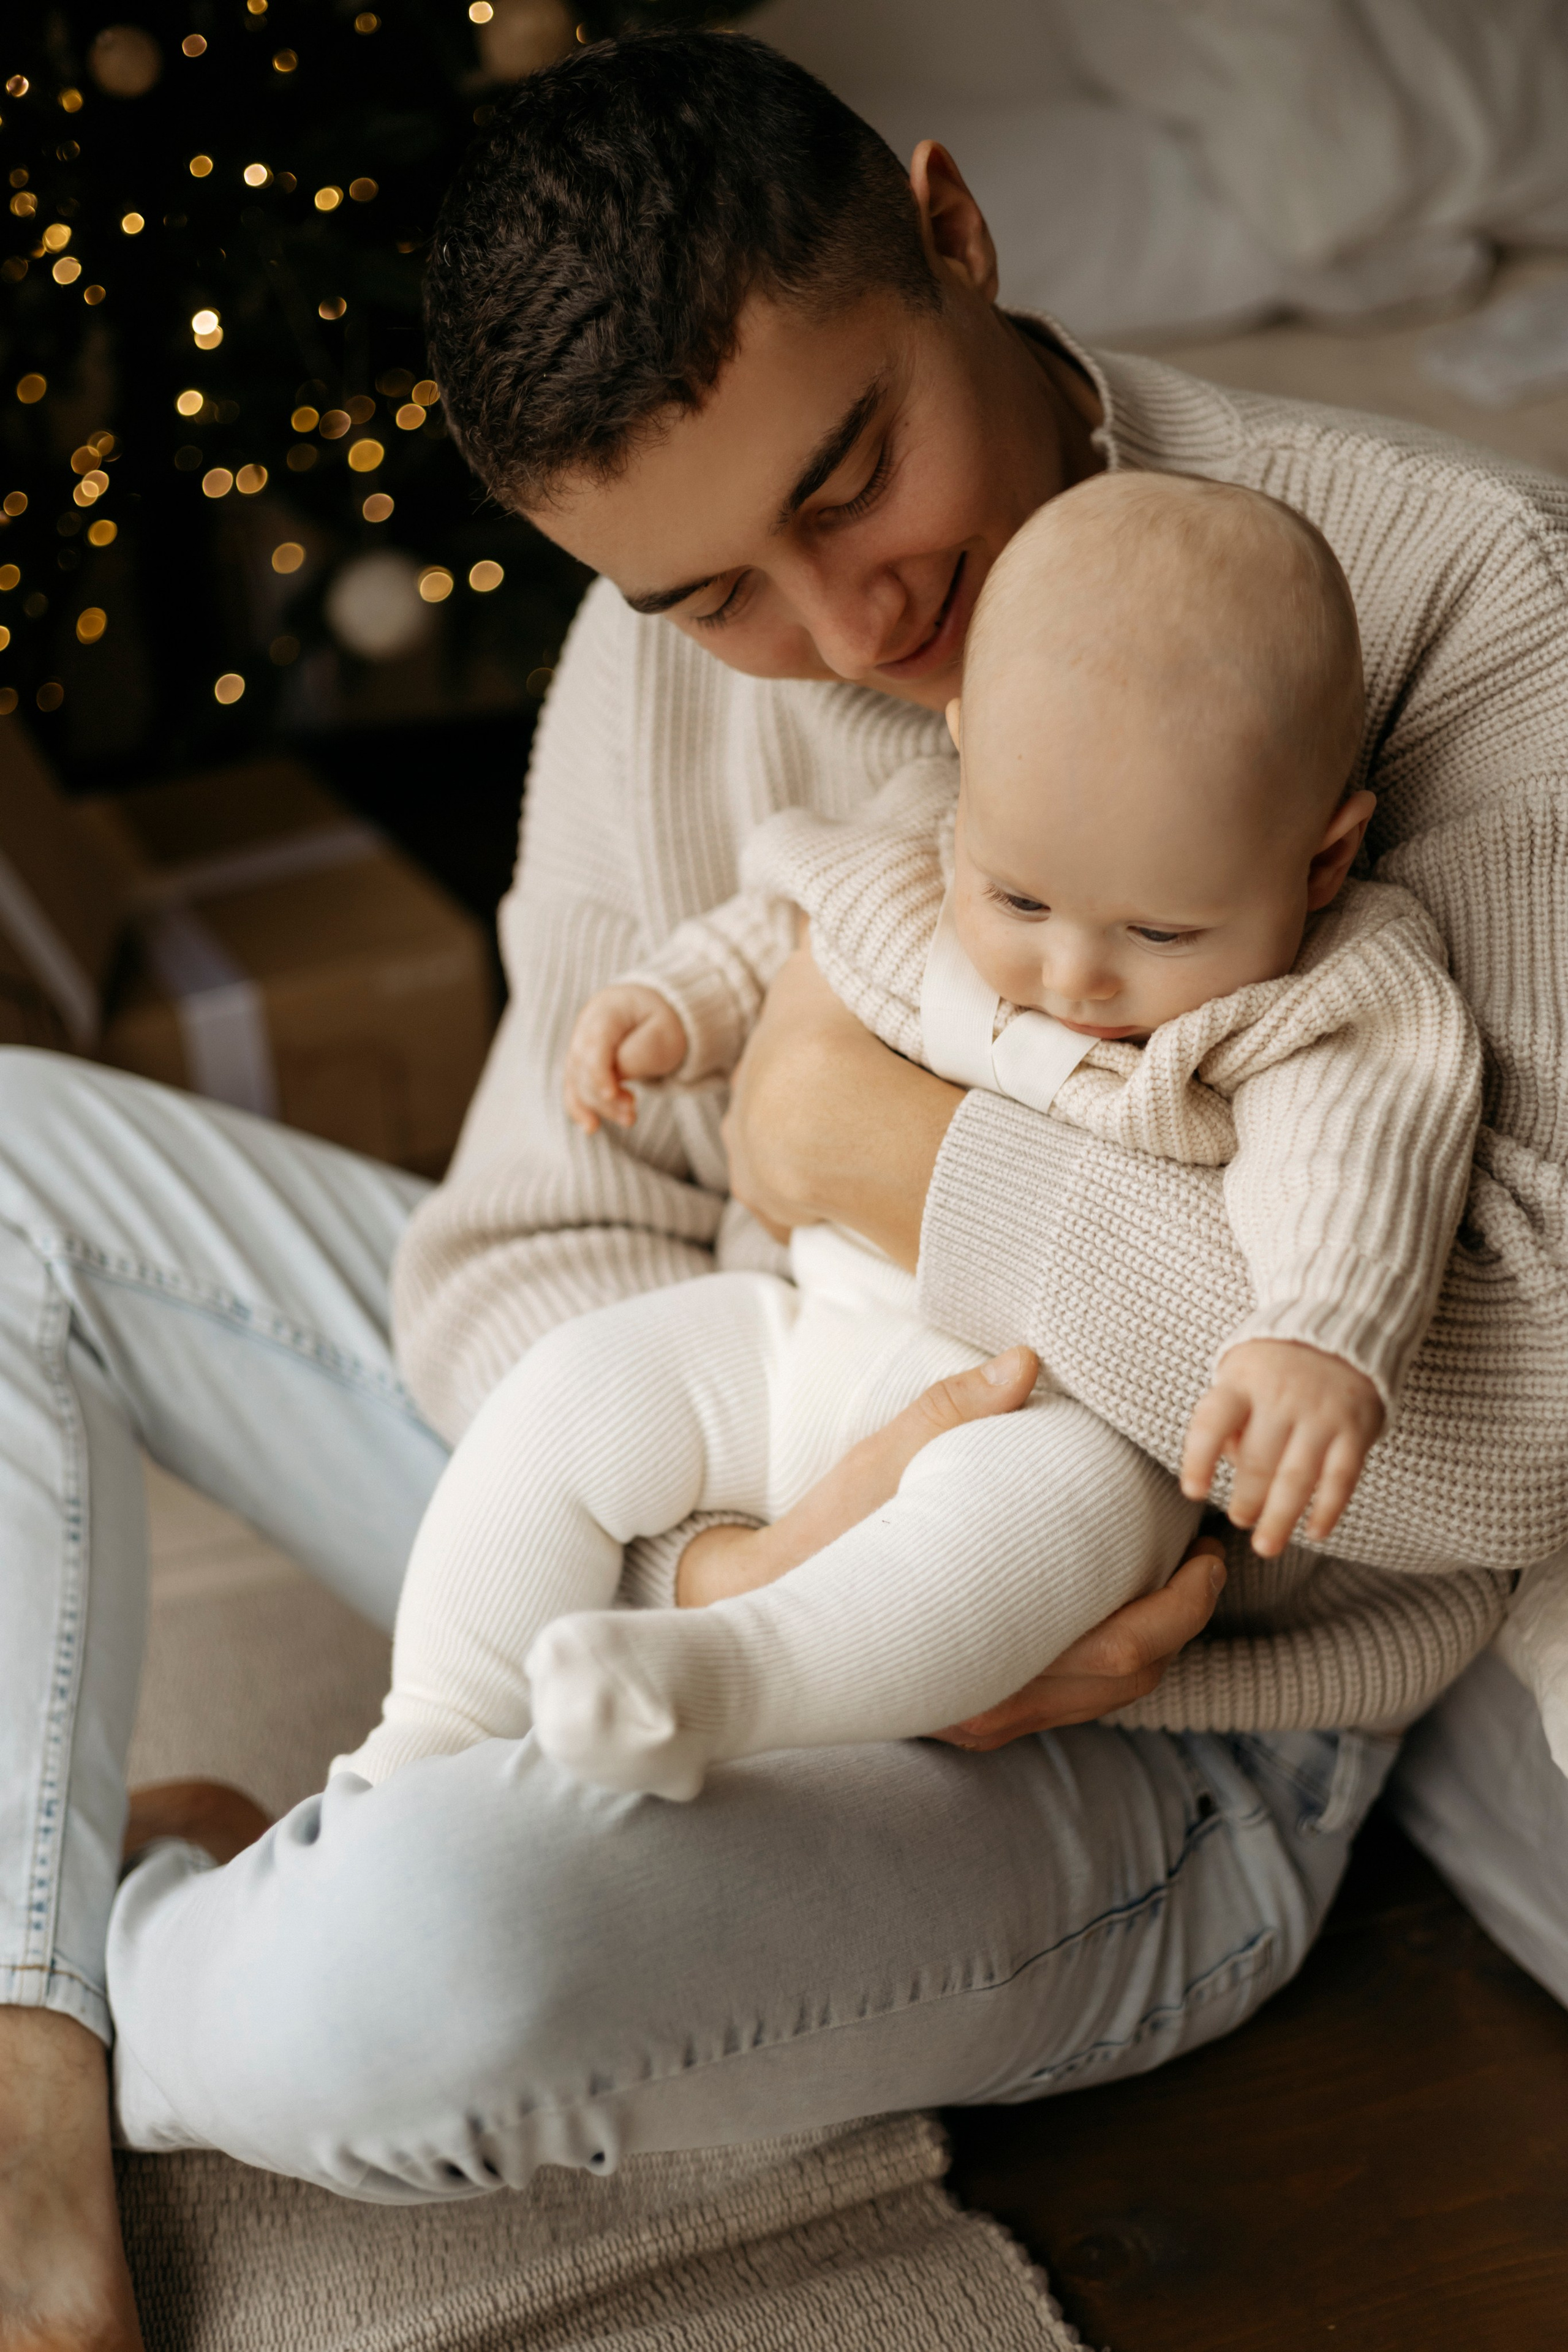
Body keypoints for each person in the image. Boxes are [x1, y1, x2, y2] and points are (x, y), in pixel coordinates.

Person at [2, 31, 1564, 2349]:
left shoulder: (1451, 602)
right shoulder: (673, 675)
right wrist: (726, 1552)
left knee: (413, 1968)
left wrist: (901, 1160)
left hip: (1139, 1741)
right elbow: (529, 1245)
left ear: (953, 233)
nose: (844, 635)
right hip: (723, 1463)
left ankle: (185, 1934)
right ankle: (35, 2051)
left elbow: (1524, 1411)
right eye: (711, 592)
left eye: (856, 478)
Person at [342, 472, 1495, 1804]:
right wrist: (676, 1002)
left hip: (1042, 1412)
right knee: (574, 1390)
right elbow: (794, 916)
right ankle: (432, 1723)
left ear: (1320, 859)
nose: (1070, 974)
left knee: (1050, 1529)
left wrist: (1317, 1327)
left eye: (1159, 933)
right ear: (962, 762)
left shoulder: (1324, 996)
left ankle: (719, 1683)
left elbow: (1357, 1160)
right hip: (793, 1343)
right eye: (1017, 897)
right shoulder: (919, 840)